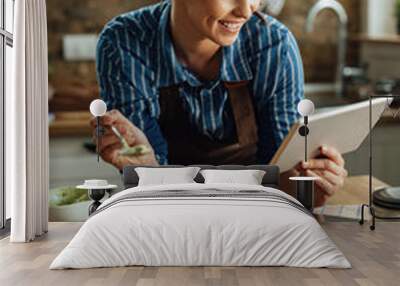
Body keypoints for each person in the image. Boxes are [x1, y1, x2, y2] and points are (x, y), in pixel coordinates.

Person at [91, 0, 348, 206]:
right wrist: (144, 167)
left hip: (256, 214)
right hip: (170, 214)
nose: (247, 10)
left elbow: (279, 172)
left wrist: (307, 186)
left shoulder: (273, 45)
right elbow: (154, 186)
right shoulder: (124, 44)